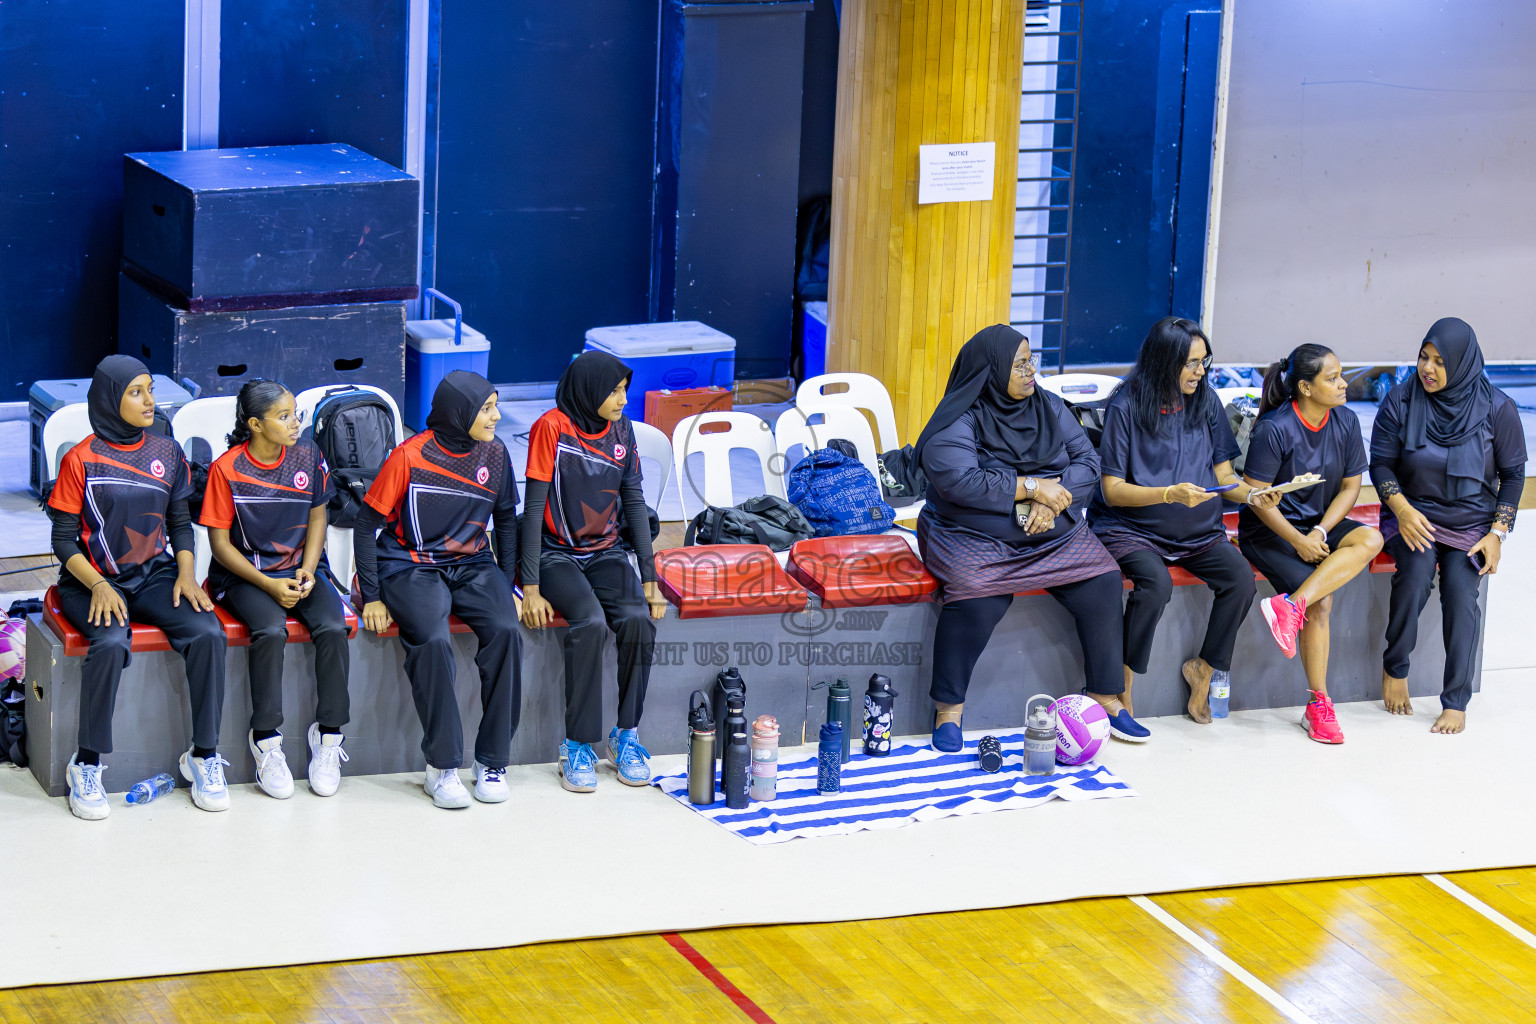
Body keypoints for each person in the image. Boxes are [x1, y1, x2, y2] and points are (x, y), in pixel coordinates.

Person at [915, 324, 1148, 749]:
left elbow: (1087, 461)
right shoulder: (960, 416)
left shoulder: (1049, 406)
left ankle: (1104, 697)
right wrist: (1032, 487)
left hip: (1051, 532)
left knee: (1103, 580)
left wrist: (1050, 502)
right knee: (977, 594)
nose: (1029, 371)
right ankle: (948, 711)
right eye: (1019, 364)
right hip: (971, 535)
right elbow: (959, 481)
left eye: (1031, 361)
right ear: (992, 369)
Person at [45, 355, 230, 818]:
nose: (150, 400)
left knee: (208, 632)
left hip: (155, 575)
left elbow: (180, 520)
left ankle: (204, 755)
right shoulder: (80, 458)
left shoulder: (167, 452)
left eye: (150, 389)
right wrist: (100, 585)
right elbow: (63, 538)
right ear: (111, 399)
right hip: (88, 580)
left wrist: (187, 572)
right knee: (108, 641)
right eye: (136, 392)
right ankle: (86, 763)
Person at [1090, 318, 1281, 723]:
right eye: (1191, 363)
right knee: (1155, 585)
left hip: (1198, 533)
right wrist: (1168, 493)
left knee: (1241, 580)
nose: (1200, 371)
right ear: (1164, 362)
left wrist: (1254, 495)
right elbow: (1112, 489)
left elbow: (1225, 477)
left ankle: (1204, 669)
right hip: (1132, 530)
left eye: (1204, 361)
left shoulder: (1206, 401)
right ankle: (1121, 686)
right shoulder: (1126, 404)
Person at [354, 371, 522, 809]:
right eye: (486, 408)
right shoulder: (409, 456)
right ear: (459, 411)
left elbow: (505, 519)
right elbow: (366, 525)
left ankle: (492, 761)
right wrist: (371, 595)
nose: (496, 416)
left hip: (472, 562)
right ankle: (442, 766)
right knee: (432, 638)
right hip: (410, 563)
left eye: (495, 405)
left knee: (506, 630)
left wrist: (505, 584)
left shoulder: (496, 453)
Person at [519, 351, 667, 793]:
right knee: (590, 622)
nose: (623, 399)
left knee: (639, 619)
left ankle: (626, 736)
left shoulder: (622, 429)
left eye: (625, 390)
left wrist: (650, 580)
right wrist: (528, 586)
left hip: (604, 551)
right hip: (554, 554)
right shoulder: (552, 427)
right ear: (589, 391)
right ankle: (577, 743)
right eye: (614, 391)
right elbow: (531, 510)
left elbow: (635, 503)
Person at [1370, 318, 1526, 734]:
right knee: (1417, 573)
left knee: (1460, 595)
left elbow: (1512, 476)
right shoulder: (1401, 401)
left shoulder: (1498, 408)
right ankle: (1395, 667)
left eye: (1440, 361)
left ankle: (1456, 700)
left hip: (1472, 522)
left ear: (1462, 363)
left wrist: (1498, 534)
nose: (1428, 369)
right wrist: (1401, 509)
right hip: (1412, 514)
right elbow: (1381, 463)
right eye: (1424, 357)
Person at [201, 379, 352, 798]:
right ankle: (266, 740)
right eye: (283, 417)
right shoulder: (227, 469)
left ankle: (329, 735)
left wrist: (307, 570)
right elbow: (219, 544)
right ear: (255, 424)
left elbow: (318, 516)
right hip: (246, 574)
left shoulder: (309, 455)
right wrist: (269, 583)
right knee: (269, 630)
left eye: (295, 414)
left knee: (333, 627)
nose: (295, 423)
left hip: (298, 569)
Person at [1238, 344, 1384, 744]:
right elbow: (1257, 496)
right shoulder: (1275, 428)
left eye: (1341, 375)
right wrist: (1297, 540)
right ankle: (1318, 705)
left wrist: (1319, 533)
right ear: (1305, 386)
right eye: (1332, 377)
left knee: (1370, 537)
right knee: (1322, 602)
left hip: (1318, 524)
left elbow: (1352, 486)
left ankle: (1290, 605)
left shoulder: (1346, 422)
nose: (1343, 383)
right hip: (1271, 532)